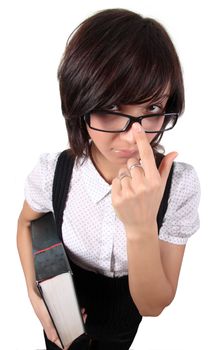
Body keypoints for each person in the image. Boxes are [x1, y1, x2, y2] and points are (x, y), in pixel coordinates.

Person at [17, 8, 200, 350]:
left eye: (153, 110)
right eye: (112, 109)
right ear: (80, 105)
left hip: (122, 328)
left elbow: (153, 305)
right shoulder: (53, 172)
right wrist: (34, 293)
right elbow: (27, 223)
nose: (135, 136)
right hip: (64, 316)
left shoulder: (179, 187)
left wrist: (141, 224)